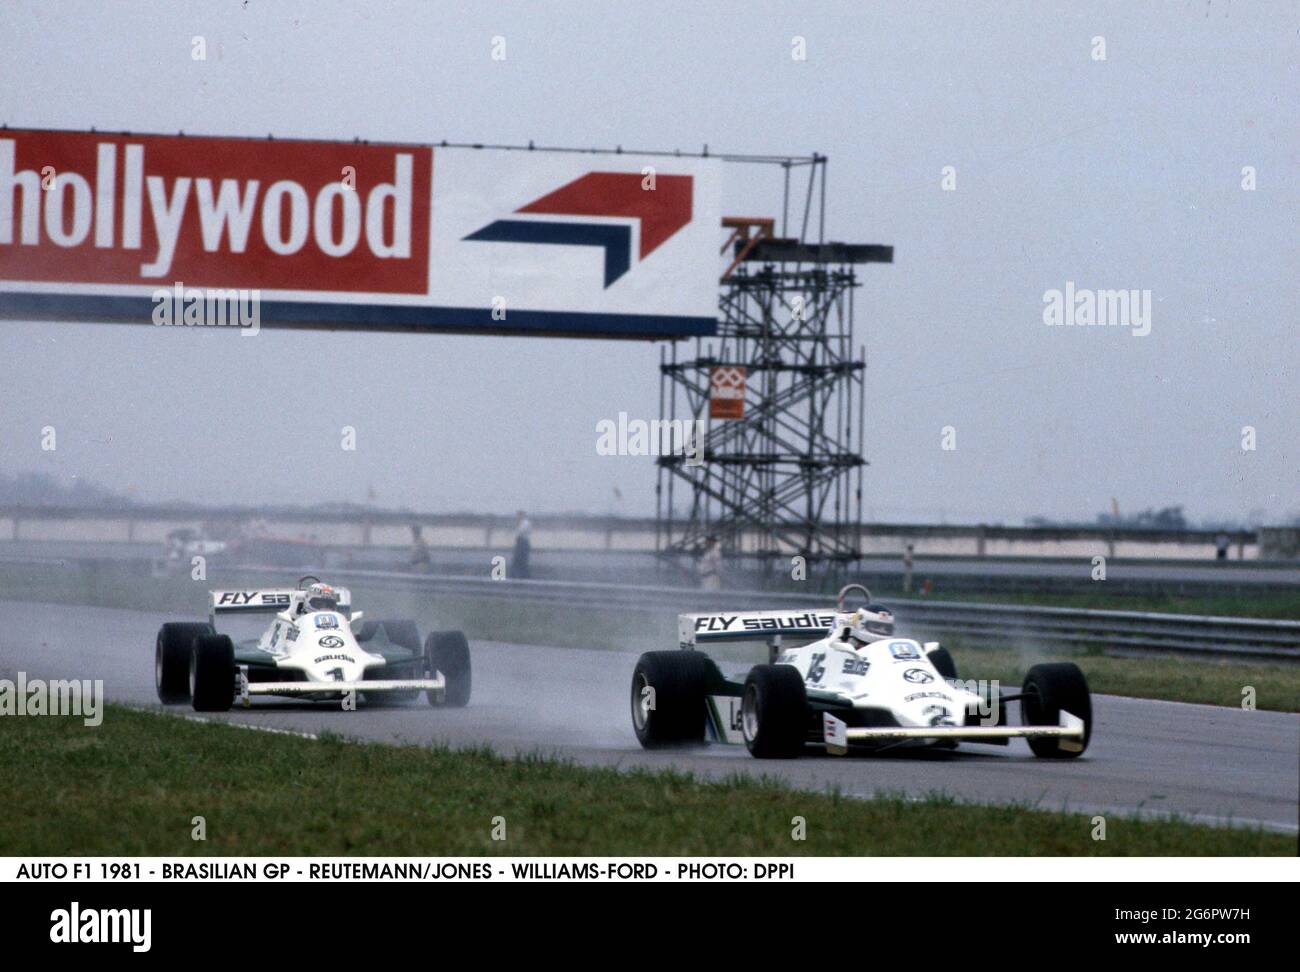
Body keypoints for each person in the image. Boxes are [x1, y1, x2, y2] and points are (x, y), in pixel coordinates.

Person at [511, 510, 532, 579]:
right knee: (518, 561)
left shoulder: (525, 523)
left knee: (521, 561)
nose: (517, 517)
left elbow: (519, 532)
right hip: (520, 543)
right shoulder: (521, 523)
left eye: (519, 515)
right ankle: (519, 576)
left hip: (523, 543)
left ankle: (524, 577)